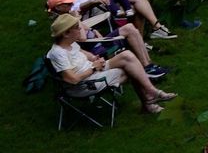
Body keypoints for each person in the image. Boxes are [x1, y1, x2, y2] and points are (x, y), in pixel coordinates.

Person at [46, 10, 176, 114]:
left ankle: (151, 95)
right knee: (131, 69)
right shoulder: (58, 53)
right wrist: (94, 68)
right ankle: (150, 100)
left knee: (127, 56)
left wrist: (94, 59)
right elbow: (72, 79)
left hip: (94, 71)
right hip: (85, 84)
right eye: (76, 27)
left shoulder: (70, 43)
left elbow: (85, 54)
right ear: (66, 34)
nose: (80, 29)